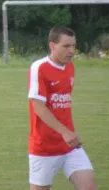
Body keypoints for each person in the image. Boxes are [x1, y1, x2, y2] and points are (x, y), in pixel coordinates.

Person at [27, 26, 97, 190]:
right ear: (52, 45)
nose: (71, 51)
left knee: (89, 187)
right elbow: (38, 107)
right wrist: (64, 131)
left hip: (70, 146)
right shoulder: (39, 68)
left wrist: (67, 133)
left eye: (73, 46)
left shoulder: (70, 67)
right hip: (44, 148)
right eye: (66, 46)